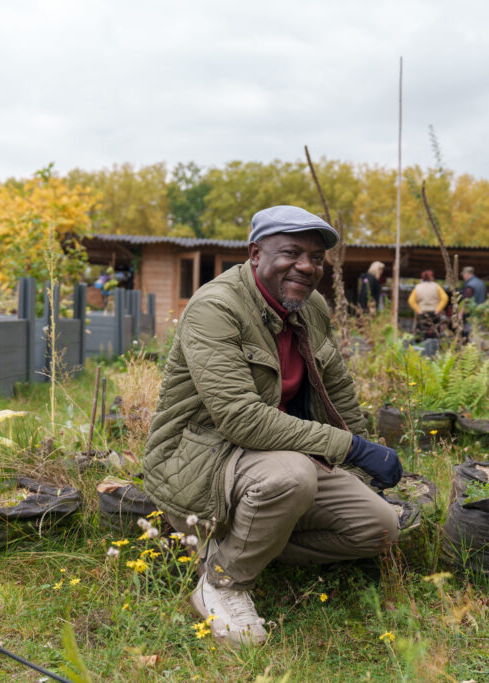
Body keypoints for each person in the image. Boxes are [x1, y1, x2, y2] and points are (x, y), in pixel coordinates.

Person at [143, 205, 402, 646]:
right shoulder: (216, 308)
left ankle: (240, 545)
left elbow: (335, 390)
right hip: (204, 458)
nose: (307, 266)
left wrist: (360, 465)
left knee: (378, 528)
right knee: (292, 476)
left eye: (316, 258)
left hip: (275, 453)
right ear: (256, 252)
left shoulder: (309, 306)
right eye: (293, 252)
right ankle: (223, 582)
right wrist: (350, 448)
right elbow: (240, 419)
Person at [407, 270, 448, 340]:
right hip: (434, 312)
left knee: (422, 332)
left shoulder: (417, 287)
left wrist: (418, 310)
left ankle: (421, 347)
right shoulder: (437, 286)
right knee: (435, 332)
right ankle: (435, 347)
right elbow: (445, 298)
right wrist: (438, 309)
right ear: (431, 277)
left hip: (422, 313)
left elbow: (411, 301)